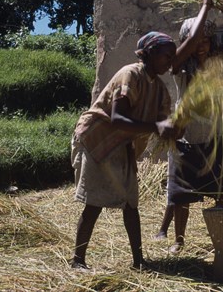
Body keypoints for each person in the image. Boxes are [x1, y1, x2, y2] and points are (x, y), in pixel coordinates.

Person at [70, 31, 180, 271]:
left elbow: (163, 124)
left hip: (124, 145)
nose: (170, 61)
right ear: (149, 54)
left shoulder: (160, 89)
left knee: (131, 204)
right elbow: (118, 119)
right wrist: (156, 127)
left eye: (173, 57)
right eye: (166, 56)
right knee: (94, 202)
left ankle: (138, 261)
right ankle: (78, 260)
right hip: (98, 140)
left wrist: (175, 129)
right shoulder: (130, 75)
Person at [154, 0, 223, 253]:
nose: (201, 45)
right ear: (185, 43)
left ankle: (222, 239)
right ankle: (179, 240)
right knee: (181, 196)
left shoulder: (217, 62)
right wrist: (205, 7)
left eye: (206, 40)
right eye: (195, 41)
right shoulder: (179, 68)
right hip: (185, 140)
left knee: (222, 193)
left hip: (213, 139)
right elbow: (192, 41)